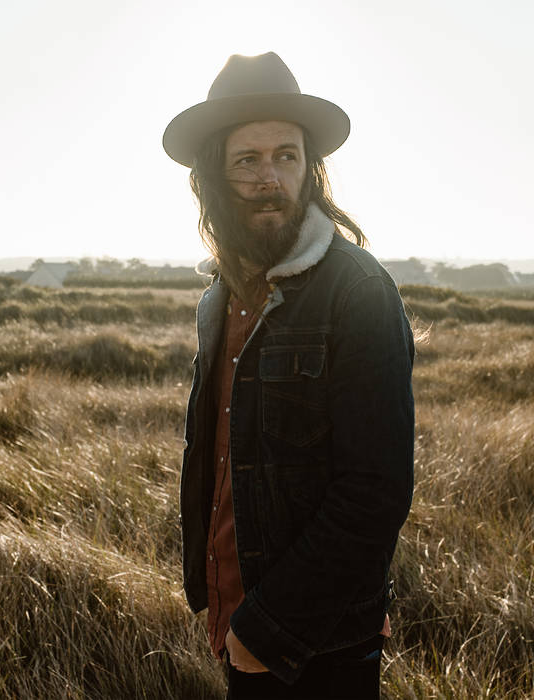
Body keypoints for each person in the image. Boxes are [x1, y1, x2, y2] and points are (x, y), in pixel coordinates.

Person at [163, 52, 415, 699]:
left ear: (311, 169)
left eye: (286, 156)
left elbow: (375, 490)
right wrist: (220, 599)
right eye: (247, 160)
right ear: (213, 175)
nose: (269, 177)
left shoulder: (357, 290)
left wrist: (269, 629)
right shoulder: (219, 299)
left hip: (315, 638)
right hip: (239, 617)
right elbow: (221, 459)